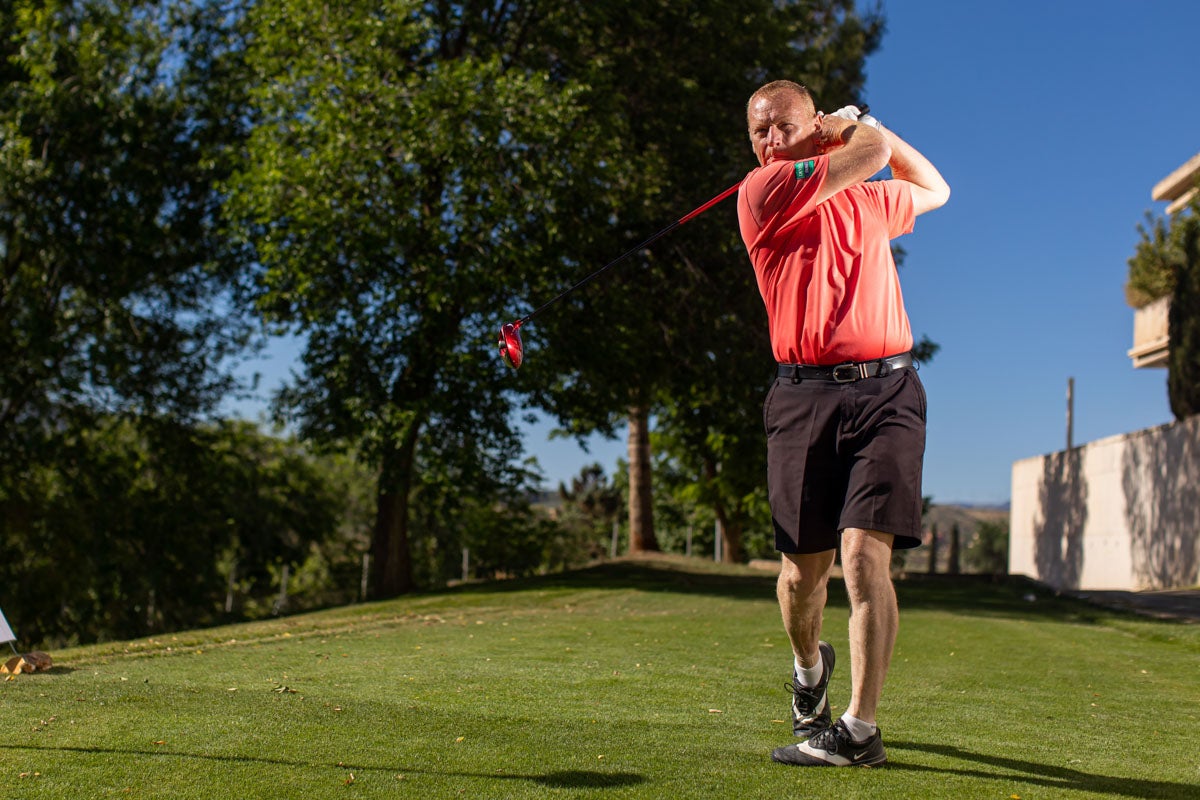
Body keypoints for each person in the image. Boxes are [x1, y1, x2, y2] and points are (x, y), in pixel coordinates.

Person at [736, 80, 950, 767]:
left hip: (887, 391)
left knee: (864, 556)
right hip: (803, 400)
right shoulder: (761, 194)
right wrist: (853, 130)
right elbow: (876, 149)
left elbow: (934, 187)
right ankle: (808, 671)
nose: (768, 141)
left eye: (782, 127)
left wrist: (858, 125)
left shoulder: (865, 199)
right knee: (805, 576)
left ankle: (859, 730)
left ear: (814, 127)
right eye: (757, 131)